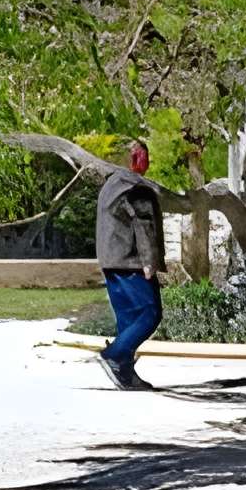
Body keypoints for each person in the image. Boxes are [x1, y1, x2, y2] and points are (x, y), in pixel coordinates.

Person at [94, 138, 165, 390]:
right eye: (145, 157)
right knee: (150, 313)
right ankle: (113, 355)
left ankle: (125, 374)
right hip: (131, 262)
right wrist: (149, 262)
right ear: (137, 159)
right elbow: (143, 226)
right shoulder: (136, 187)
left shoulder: (110, 185)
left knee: (128, 320)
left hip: (110, 262)